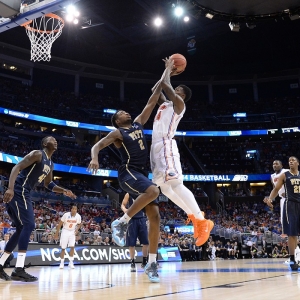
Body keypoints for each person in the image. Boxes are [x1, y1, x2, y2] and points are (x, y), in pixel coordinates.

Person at [88, 81, 162, 282]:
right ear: (117, 121)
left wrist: (166, 75)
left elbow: (152, 100)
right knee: (154, 191)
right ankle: (121, 222)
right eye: (121, 112)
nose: (125, 112)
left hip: (141, 174)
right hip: (127, 173)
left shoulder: (138, 123)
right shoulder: (118, 133)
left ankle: (152, 264)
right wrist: (94, 157)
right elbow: (98, 146)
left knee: (155, 217)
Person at [149, 56, 214, 246]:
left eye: (178, 90)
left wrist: (169, 71)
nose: (175, 89)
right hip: (155, 148)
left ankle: (202, 221)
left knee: (175, 184)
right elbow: (157, 88)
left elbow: (167, 87)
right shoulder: (165, 104)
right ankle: (194, 217)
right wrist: (167, 71)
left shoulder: (179, 105)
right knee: (165, 188)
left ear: (182, 95)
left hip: (166, 144)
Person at [0, 136, 76, 282]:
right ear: (44, 143)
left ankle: (1, 264)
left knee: (22, 229)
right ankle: (19, 269)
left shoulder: (51, 164)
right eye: (51, 138)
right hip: (19, 191)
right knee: (28, 225)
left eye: (56, 139)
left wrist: (64, 190)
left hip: (25, 193)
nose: (55, 140)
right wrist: (10, 188)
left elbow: (49, 184)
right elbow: (17, 167)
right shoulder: (37, 154)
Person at [264, 156, 300, 271]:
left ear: (298, 163)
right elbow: (275, 189)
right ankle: (292, 259)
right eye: (289, 161)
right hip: (290, 205)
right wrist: (270, 199)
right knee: (292, 233)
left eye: (293, 160)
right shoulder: (285, 175)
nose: (291, 162)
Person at [121, 193, 149, 272]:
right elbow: (123, 205)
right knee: (131, 243)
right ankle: (132, 262)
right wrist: (125, 210)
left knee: (145, 242)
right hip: (131, 219)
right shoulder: (128, 194)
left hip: (142, 219)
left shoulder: (144, 193)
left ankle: (144, 261)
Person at [54, 203, 81, 269]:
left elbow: (80, 224)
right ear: (71, 209)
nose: (74, 210)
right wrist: (56, 233)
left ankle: (71, 262)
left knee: (72, 247)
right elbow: (60, 224)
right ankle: (62, 263)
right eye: (73, 209)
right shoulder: (66, 215)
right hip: (65, 231)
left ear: (76, 210)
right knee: (63, 248)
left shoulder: (78, 216)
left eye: (75, 209)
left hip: (72, 231)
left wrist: (77, 230)